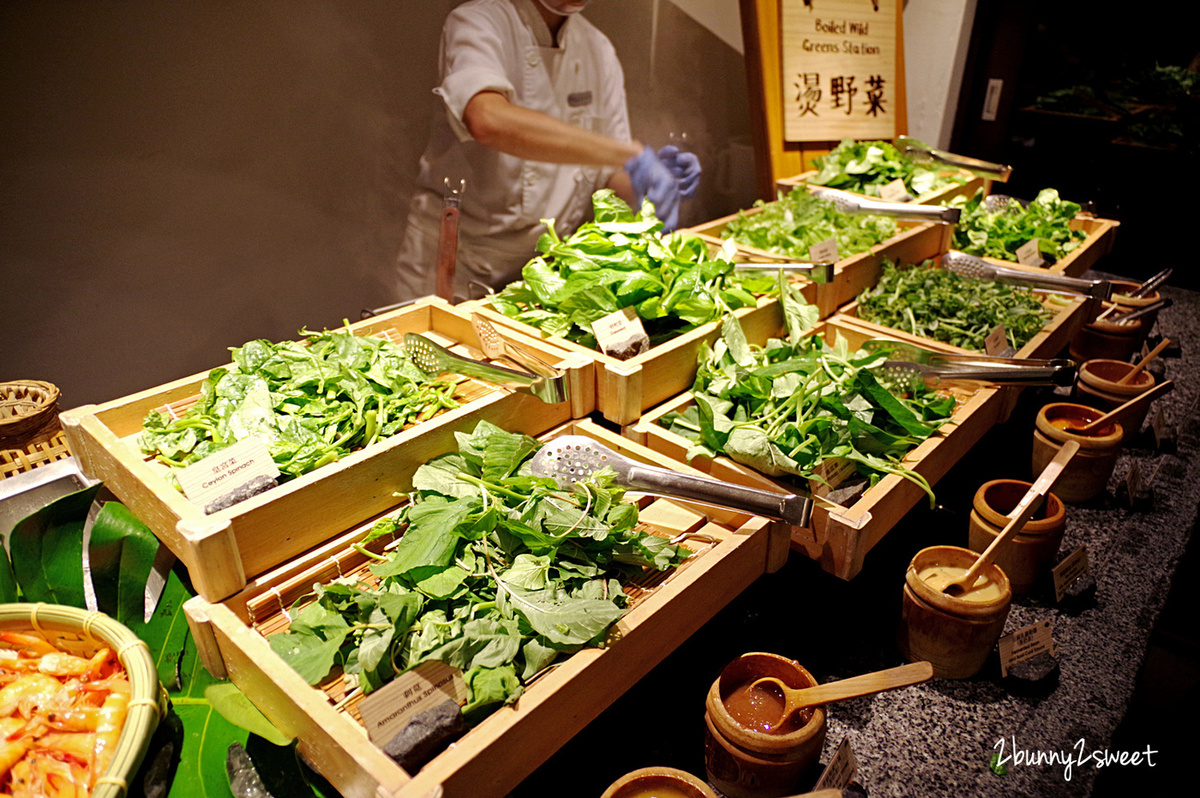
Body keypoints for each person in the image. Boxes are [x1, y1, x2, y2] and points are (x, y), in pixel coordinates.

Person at [392, 0, 700, 302]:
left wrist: (648, 181)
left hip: (548, 267)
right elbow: (486, 119)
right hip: (457, 262)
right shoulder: (478, 20)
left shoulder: (598, 48)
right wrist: (628, 154)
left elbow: (610, 181)